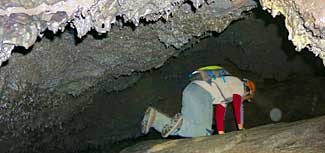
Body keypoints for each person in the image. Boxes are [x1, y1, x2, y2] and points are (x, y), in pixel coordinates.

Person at [141, 66, 256, 138]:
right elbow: (237, 105)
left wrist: (221, 134)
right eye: (247, 98)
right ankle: (181, 123)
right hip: (203, 93)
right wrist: (240, 128)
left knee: (182, 130)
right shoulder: (239, 85)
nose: (245, 100)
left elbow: (220, 114)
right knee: (203, 132)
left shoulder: (225, 92)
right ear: (248, 91)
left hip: (190, 90)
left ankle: (155, 118)